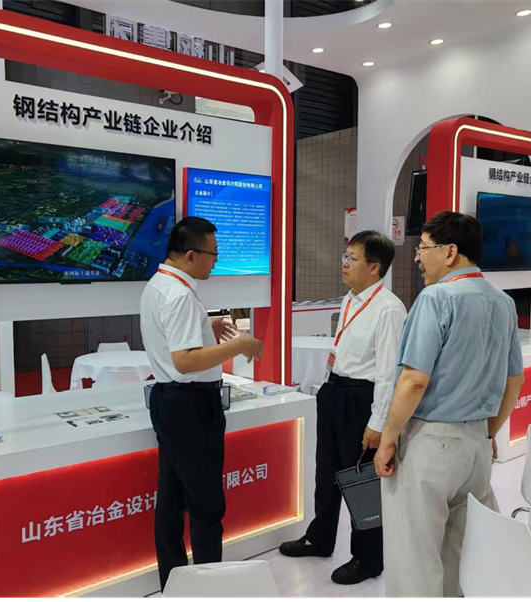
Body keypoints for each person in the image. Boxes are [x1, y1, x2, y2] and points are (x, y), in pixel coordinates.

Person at [374, 211, 526, 598]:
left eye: (423, 248)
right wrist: (489, 433)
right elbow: (514, 380)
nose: (417, 257)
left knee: (414, 558)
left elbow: (414, 380)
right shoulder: (503, 303)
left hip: (430, 444)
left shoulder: (436, 298)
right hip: (476, 446)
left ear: (450, 252)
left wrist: (388, 438)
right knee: (459, 554)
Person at [140, 216, 265, 589]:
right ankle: (208, 587)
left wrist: (204, 329)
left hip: (170, 401)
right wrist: (239, 345)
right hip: (190, 405)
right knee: (206, 504)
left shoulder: (161, 284)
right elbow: (185, 360)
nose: (216, 261)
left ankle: (176, 583)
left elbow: (173, 341)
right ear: (191, 255)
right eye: (213, 255)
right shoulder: (179, 295)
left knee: (172, 498)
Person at [279, 231, 406, 585]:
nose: (345, 263)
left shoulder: (389, 309)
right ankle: (320, 537)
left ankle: (368, 558)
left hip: (361, 399)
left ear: (374, 267)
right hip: (334, 391)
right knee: (326, 472)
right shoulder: (351, 299)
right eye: (344, 256)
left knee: (360, 480)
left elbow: (388, 373)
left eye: (352, 258)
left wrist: (378, 421)